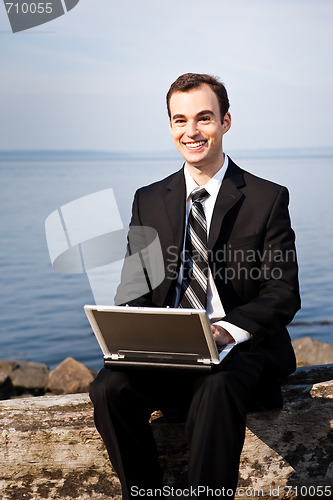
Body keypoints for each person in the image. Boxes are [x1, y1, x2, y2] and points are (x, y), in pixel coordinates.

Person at [89, 73, 301, 499]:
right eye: (180, 120)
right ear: (170, 127)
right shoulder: (149, 199)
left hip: (242, 348)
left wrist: (223, 331)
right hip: (171, 348)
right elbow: (135, 288)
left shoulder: (267, 197)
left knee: (217, 385)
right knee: (108, 388)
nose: (192, 131)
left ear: (225, 122)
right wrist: (133, 330)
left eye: (204, 118)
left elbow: (282, 293)